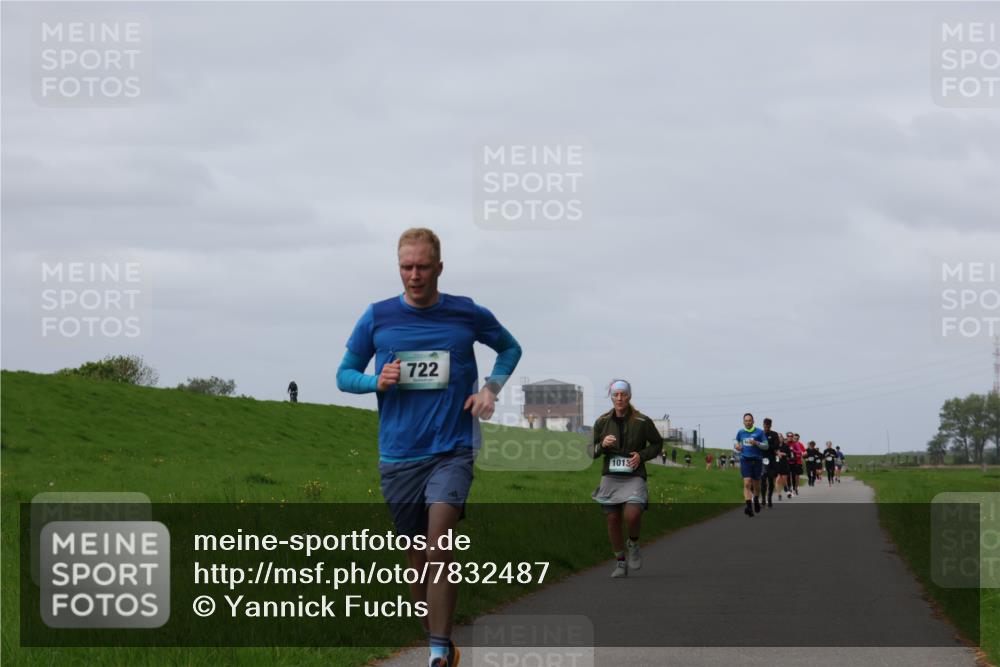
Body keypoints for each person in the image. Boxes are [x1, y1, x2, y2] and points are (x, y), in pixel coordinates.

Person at [336, 228, 522, 667]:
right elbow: (344, 374)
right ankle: (435, 636)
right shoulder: (377, 317)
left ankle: (438, 651)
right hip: (399, 455)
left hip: (452, 448)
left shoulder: (466, 313)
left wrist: (490, 390)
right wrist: (373, 381)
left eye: (422, 266)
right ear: (398, 267)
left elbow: (510, 349)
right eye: (406, 266)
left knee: (440, 544)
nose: (414, 275)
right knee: (416, 560)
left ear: (439, 267)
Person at [590, 380, 664, 578]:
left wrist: (641, 455)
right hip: (611, 476)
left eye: (623, 394)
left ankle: (633, 543)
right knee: (613, 519)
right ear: (611, 397)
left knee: (632, 515)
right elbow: (591, 451)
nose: (620, 398)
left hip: (634, 475)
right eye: (616, 395)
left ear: (629, 396)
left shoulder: (642, 421)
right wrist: (602, 446)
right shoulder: (602, 422)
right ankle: (620, 562)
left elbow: (657, 443)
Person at [733, 412, 769, 517]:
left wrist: (757, 443)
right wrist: (737, 446)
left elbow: (766, 446)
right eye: (746, 421)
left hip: (757, 460)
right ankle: (749, 507)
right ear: (743, 422)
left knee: (756, 485)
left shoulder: (759, 432)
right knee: (747, 483)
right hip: (745, 460)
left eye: (750, 420)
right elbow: (737, 442)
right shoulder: (741, 432)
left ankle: (756, 500)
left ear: (753, 421)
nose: (748, 422)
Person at [760, 418, 781, 508]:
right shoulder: (759, 434)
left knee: (771, 479)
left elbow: (776, 446)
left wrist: (766, 446)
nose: (766, 427)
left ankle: (769, 498)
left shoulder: (774, 434)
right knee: (763, 480)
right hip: (762, 459)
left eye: (768, 426)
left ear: (770, 426)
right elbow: (757, 445)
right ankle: (764, 498)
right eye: (765, 425)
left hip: (771, 459)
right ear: (763, 425)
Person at [775, 432, 792, 500]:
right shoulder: (774, 446)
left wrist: (783, 454)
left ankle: (787, 490)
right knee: (777, 480)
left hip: (784, 464)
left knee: (784, 480)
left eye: (780, 437)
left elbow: (789, 455)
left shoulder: (786, 446)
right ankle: (779, 495)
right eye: (778, 437)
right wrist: (776, 453)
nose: (779, 438)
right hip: (776, 464)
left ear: (782, 438)